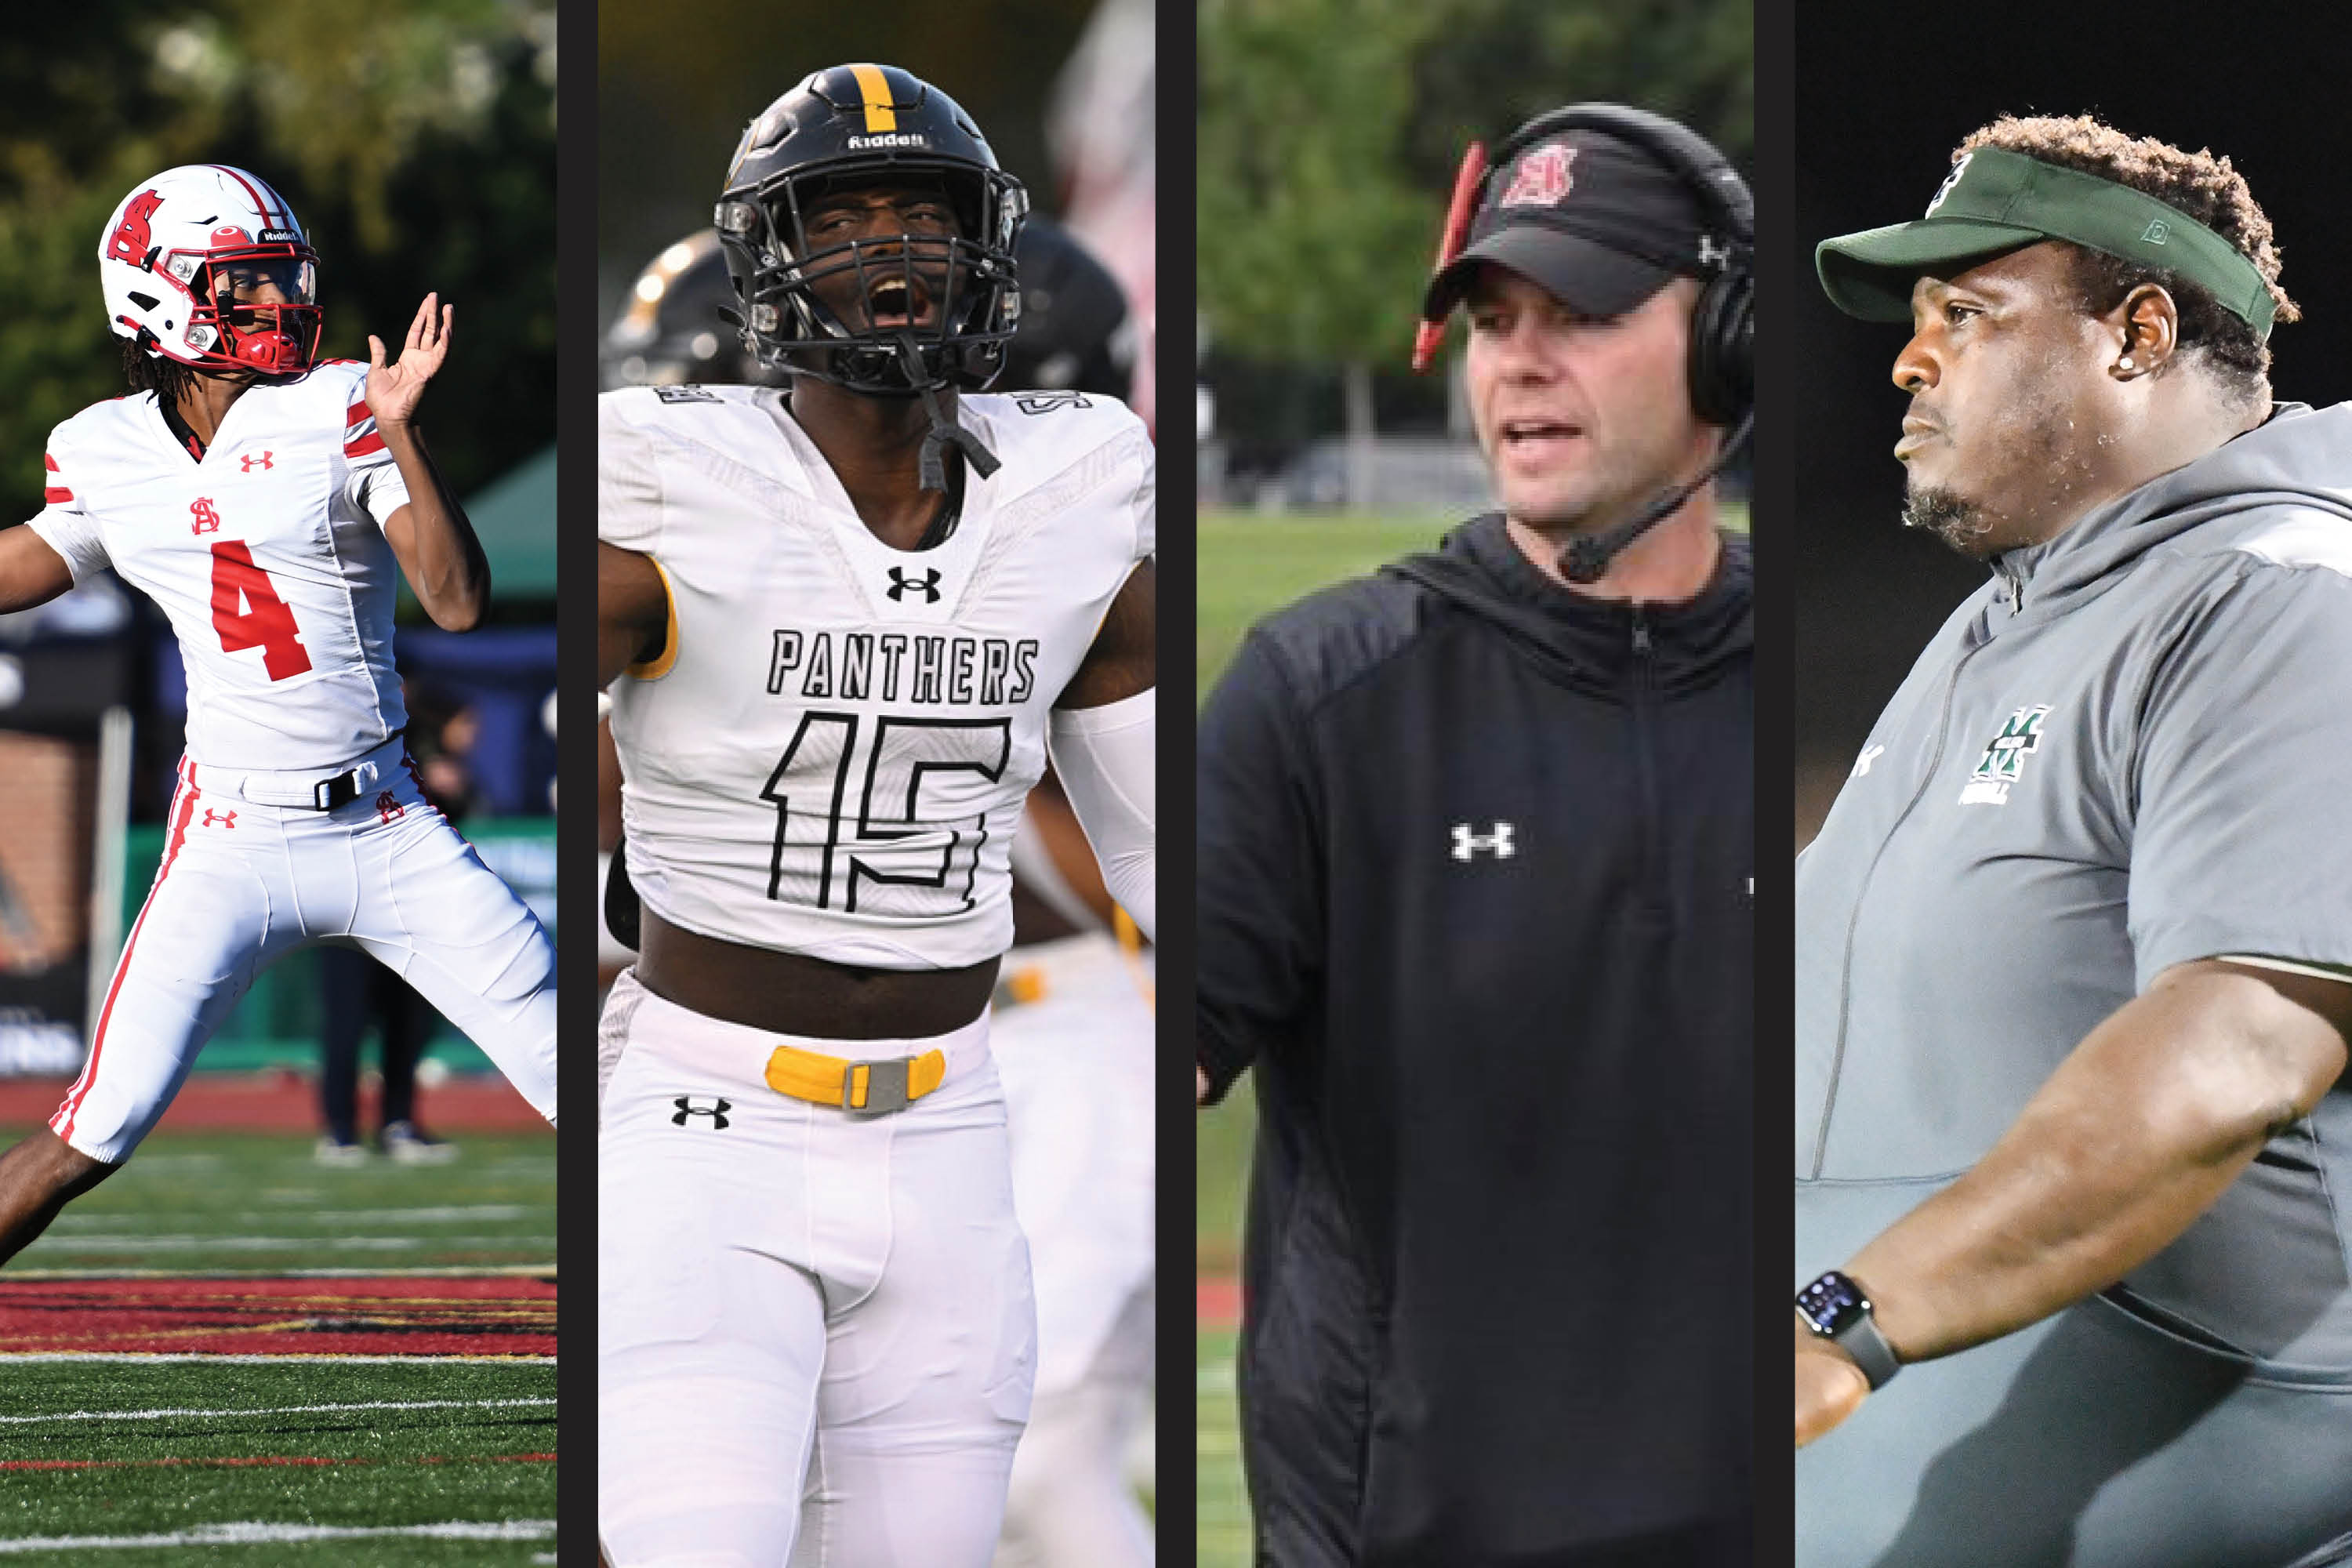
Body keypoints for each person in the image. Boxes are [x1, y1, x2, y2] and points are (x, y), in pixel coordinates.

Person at [595, 64, 1155, 1567]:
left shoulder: (1081, 480)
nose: (893, 247)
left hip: (956, 1120)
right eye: (846, 215)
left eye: (927, 213)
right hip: (713, 1117)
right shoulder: (666, 475)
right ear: (768, 252)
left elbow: (1160, 843)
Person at [1196, 104, 1754, 1566]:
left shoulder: (1863, 696)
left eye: (1583, 311)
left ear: (1731, 346)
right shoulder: (1321, 695)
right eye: (1496, 317)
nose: (1520, 360)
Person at [1795, 115, 2352, 1566]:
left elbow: (2235, 1052)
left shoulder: (2283, 598)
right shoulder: (1996, 631)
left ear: (2138, 333)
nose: (1912, 362)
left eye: (1966, 315)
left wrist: (1844, 1320)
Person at [0, 164, 557, 1265]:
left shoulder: (343, 404)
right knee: (90, 1131)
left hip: (387, 828)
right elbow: (30, 559)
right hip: (230, 840)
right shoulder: (102, 448)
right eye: (242, 284)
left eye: (276, 279)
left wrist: (401, 432)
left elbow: (455, 599)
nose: (275, 304)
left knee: (597, 1104)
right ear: (154, 299)